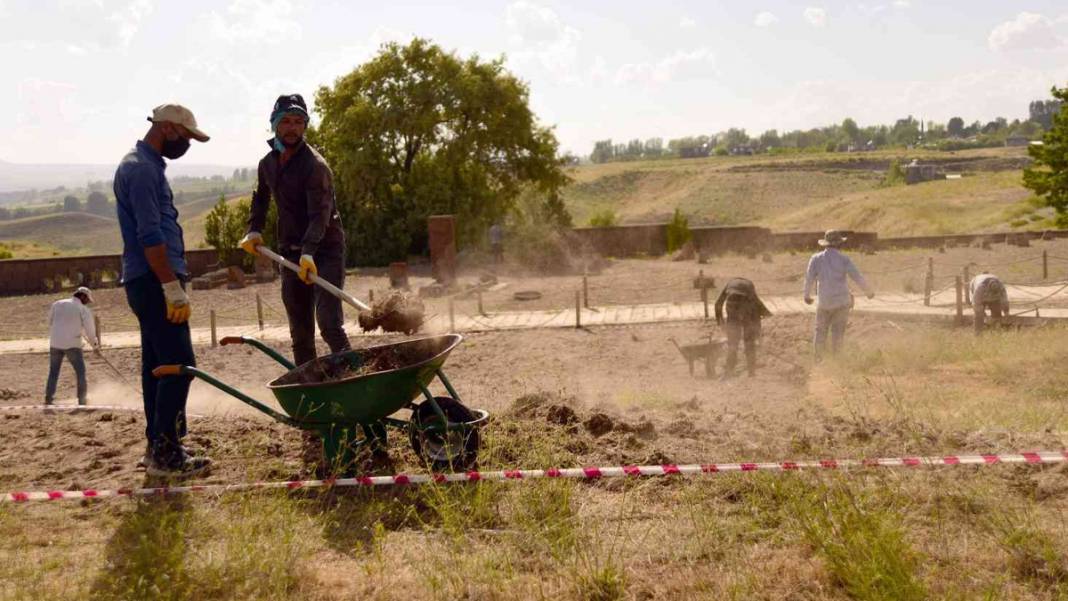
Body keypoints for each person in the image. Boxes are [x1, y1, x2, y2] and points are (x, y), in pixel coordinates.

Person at [114, 103, 211, 477]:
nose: (187, 143)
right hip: (155, 281)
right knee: (179, 365)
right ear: (168, 129)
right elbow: (150, 234)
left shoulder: (146, 166)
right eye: (186, 136)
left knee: (158, 366)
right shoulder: (141, 171)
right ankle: (167, 454)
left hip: (150, 279)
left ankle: (159, 445)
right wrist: (171, 285)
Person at [239, 93, 350, 368]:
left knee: (329, 324)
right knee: (300, 333)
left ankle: (358, 375)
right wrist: (254, 229)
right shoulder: (267, 164)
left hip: (324, 251)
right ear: (274, 124)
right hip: (289, 253)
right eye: (286, 121)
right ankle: (309, 387)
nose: (292, 127)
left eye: (298, 121)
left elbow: (320, 215)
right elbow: (261, 197)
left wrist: (309, 251)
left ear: (305, 126)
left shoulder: (315, 166)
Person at [803, 229, 874, 360]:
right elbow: (856, 276)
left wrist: (806, 296)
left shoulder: (815, 259)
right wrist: (868, 291)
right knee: (838, 334)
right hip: (841, 302)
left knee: (820, 333)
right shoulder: (844, 259)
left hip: (824, 302)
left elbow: (809, 278)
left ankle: (818, 361)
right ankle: (837, 361)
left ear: (825, 243)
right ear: (839, 244)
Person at [44, 286, 100, 405]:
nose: (87, 302)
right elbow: (90, 330)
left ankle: (48, 398)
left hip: (55, 343)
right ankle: (82, 399)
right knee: (80, 372)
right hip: (73, 344)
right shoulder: (82, 309)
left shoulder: (57, 304)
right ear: (82, 296)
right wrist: (95, 345)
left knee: (53, 371)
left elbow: (50, 321)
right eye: (87, 300)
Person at [714, 277, 771, 378]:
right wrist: (757, 330)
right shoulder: (749, 286)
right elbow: (757, 305)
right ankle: (751, 373)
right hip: (746, 308)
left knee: (733, 343)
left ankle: (729, 371)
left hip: (731, 306)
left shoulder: (729, 283)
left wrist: (720, 321)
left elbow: (718, 304)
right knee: (749, 342)